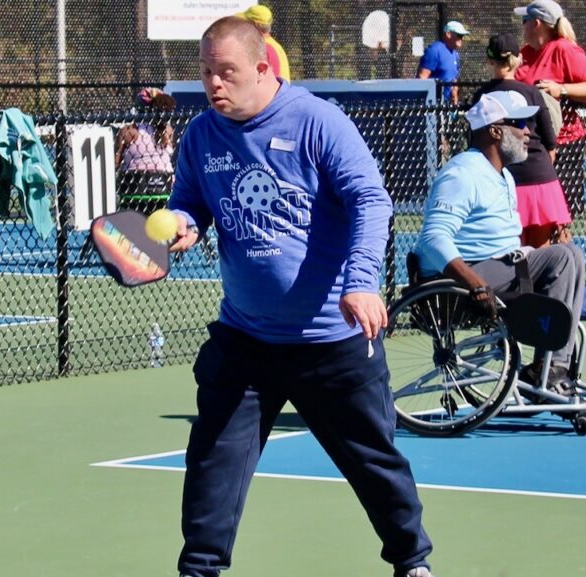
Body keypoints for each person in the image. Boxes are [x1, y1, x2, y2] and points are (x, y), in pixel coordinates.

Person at [166, 16, 434, 577]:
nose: (214, 84)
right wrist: (186, 224)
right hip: (245, 340)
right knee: (212, 463)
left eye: (227, 72)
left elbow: (371, 200)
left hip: (331, 344)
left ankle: (412, 562)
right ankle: (199, 571)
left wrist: (361, 282)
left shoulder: (317, 121)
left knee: (373, 464)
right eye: (206, 72)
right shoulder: (200, 134)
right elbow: (190, 201)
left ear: (262, 67)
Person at [413, 90, 586, 391]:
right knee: (562, 258)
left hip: (497, 269)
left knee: (570, 253)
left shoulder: (502, 175)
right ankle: (552, 367)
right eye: (519, 123)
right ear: (494, 131)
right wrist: (476, 284)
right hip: (456, 285)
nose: (528, 132)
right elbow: (433, 239)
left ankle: (552, 365)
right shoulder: (463, 174)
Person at [471, 32, 568, 248]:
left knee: (508, 258)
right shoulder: (532, 93)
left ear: (490, 60)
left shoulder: (481, 97)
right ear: (518, 59)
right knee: (540, 259)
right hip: (539, 179)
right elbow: (550, 143)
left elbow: (475, 145)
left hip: (500, 184)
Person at [513, 0, 586, 221]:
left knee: (559, 222)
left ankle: (563, 256)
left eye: (524, 21)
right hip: (528, 146)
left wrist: (561, 89)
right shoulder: (523, 53)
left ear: (536, 23)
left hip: (563, 145)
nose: (522, 26)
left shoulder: (564, 49)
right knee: (529, 219)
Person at [114, 88, 177, 210]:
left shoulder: (129, 131)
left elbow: (116, 162)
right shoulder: (167, 130)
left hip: (133, 188)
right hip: (163, 188)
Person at [417, 20, 469, 104]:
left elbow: (454, 79)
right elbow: (422, 78)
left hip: (449, 107)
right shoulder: (434, 50)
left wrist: (454, 97)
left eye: (462, 36)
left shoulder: (455, 54)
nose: (461, 39)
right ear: (448, 34)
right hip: (434, 106)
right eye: (459, 35)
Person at [236, 4, 291, 81]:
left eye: (246, 22)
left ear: (255, 25)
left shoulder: (265, 48)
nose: (243, 26)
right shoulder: (271, 45)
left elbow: (273, 84)